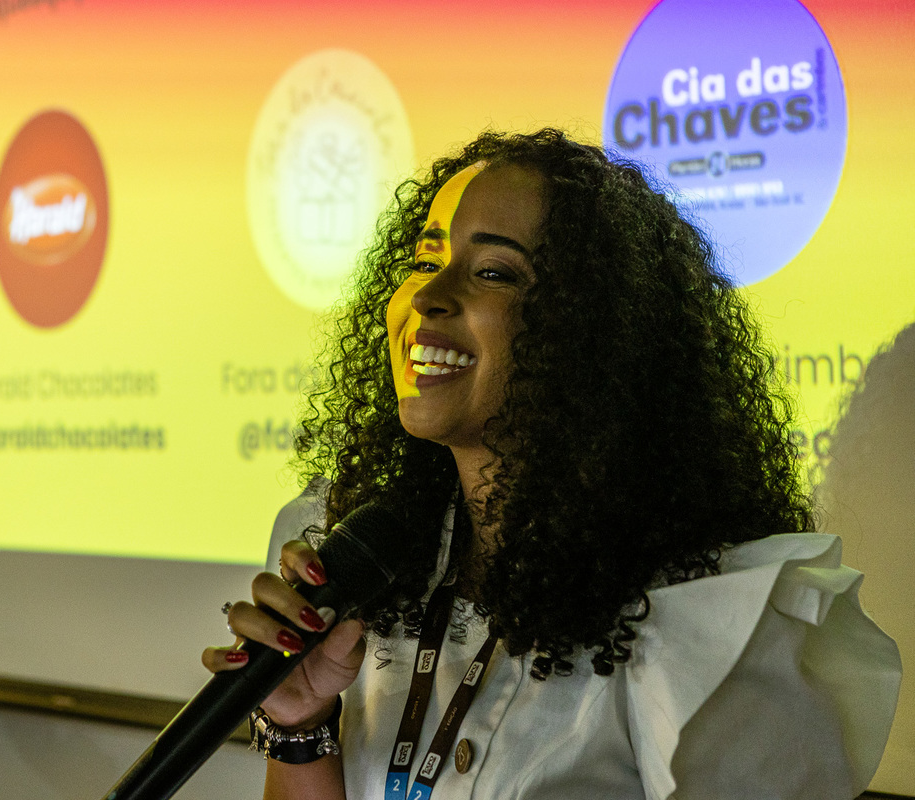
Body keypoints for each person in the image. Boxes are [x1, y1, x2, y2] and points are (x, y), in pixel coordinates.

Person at [202, 129, 901, 799]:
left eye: (493, 272)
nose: (427, 297)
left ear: (591, 330)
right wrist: (300, 723)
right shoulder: (363, 566)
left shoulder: (714, 620)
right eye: (424, 261)